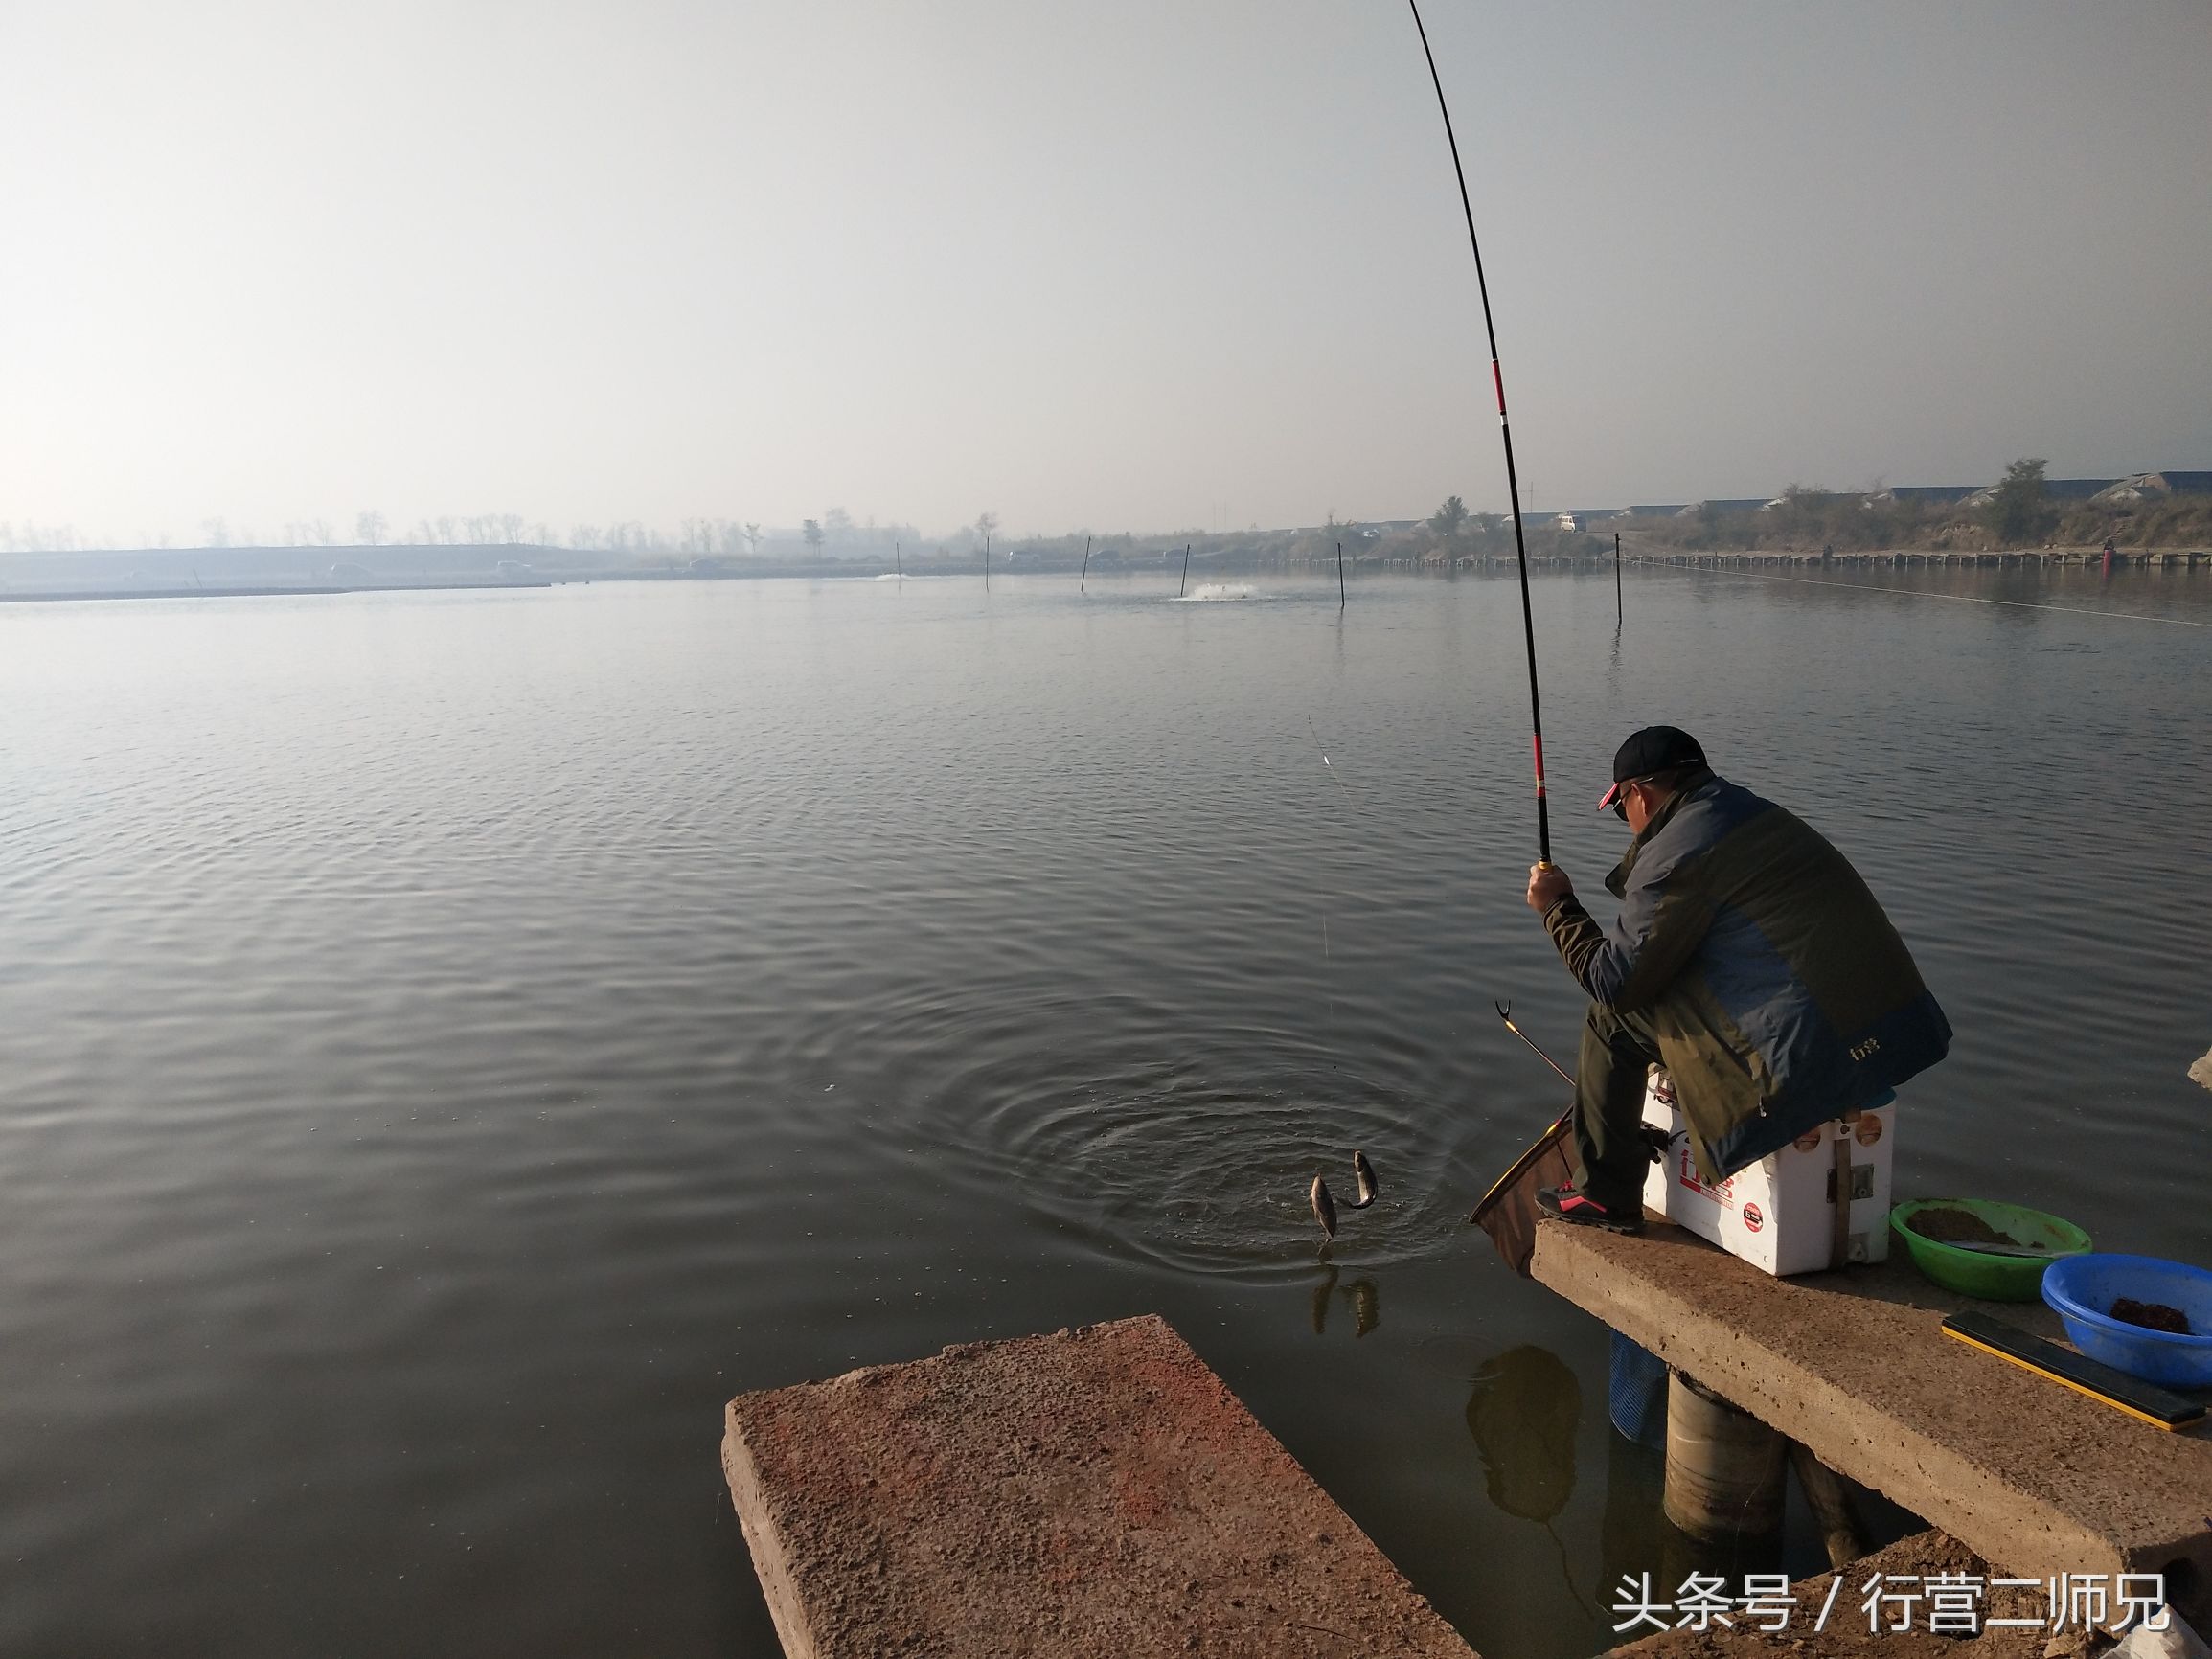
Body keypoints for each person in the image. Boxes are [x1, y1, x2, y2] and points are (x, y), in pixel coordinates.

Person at [1522, 726, 1950, 1232]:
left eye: (1622, 809)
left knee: (1609, 1023)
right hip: (1896, 1029)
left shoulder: (1676, 851)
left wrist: (1557, 906)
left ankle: (1605, 1196)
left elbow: (1615, 981)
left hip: (1804, 1055)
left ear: (1640, 792)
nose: (1628, 823)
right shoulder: (1753, 814)